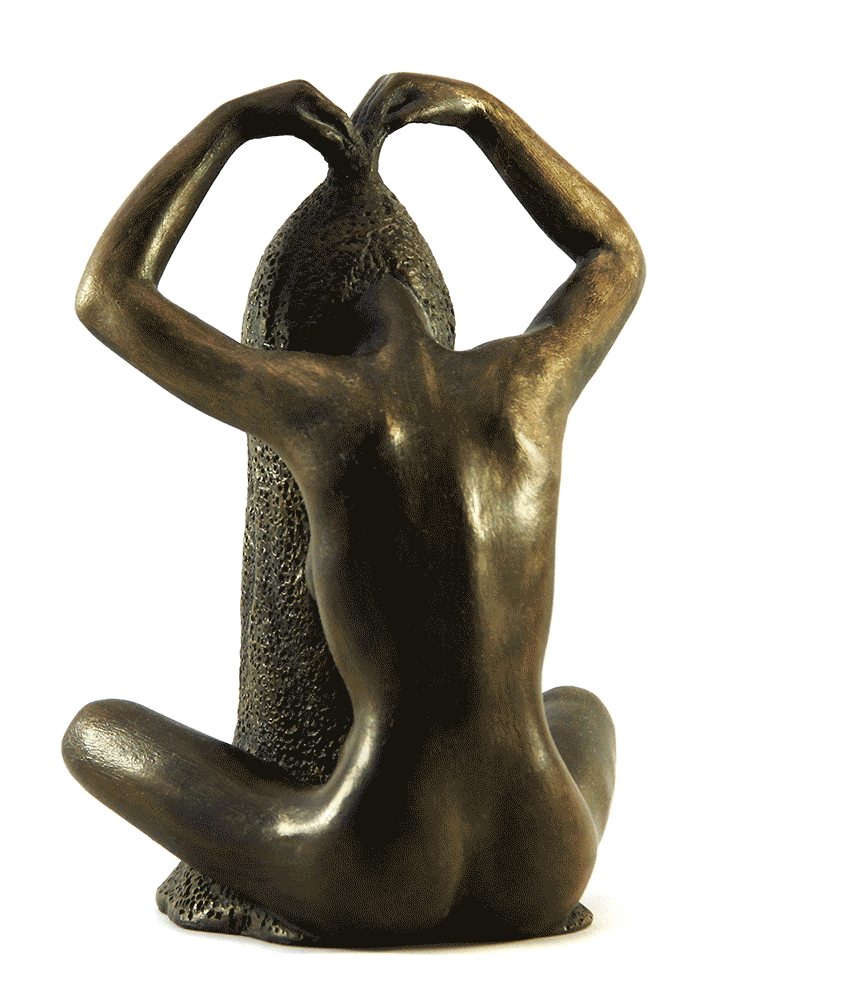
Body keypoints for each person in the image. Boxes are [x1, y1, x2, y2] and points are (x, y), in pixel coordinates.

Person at [64, 74, 645, 945]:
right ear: (431, 299)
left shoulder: (317, 401)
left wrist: (230, 126)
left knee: (93, 733)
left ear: (301, 325)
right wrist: (482, 115)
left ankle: (277, 881)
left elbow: (108, 295)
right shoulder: (529, 382)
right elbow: (613, 256)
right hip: (548, 857)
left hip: (371, 864)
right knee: (580, 708)